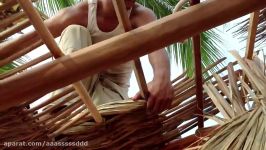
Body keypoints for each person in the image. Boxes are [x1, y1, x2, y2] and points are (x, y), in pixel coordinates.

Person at [47, 0, 173, 114]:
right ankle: (61, 109)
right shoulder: (81, 13)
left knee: (106, 114)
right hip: (76, 83)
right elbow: (35, 35)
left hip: (112, 90)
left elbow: (157, 48)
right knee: (74, 31)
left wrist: (161, 78)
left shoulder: (140, 16)